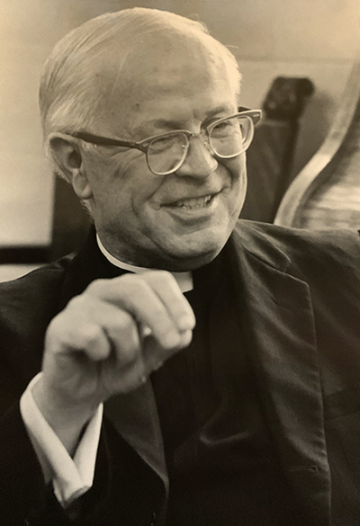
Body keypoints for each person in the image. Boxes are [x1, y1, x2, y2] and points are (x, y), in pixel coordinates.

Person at [0, 7, 359, 526]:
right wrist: (58, 406)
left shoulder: (345, 273)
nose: (204, 167)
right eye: (161, 142)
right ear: (76, 163)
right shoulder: (11, 333)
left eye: (220, 126)